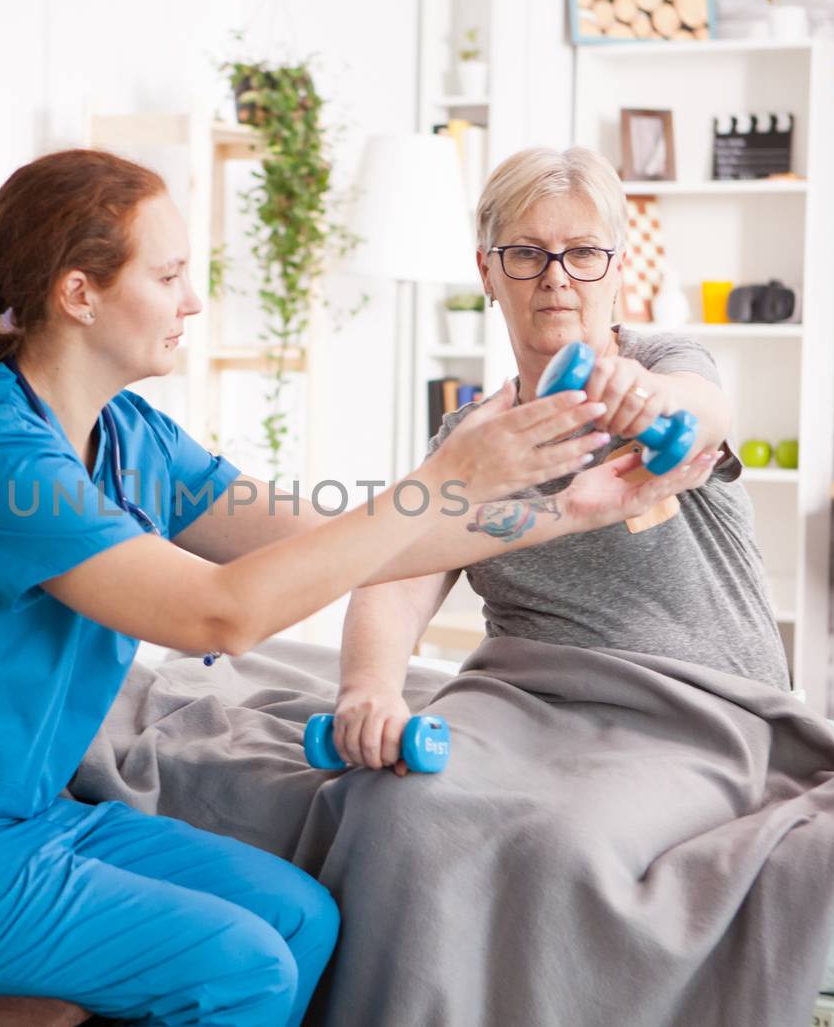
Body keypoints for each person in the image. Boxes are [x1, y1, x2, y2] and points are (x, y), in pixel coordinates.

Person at [0, 148, 713, 1025]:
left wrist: (573, 509)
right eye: (169, 275)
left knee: (302, 920)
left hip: (15, 815)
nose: (193, 299)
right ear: (81, 292)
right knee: (239, 967)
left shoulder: (132, 436)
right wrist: (447, 477)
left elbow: (332, 537)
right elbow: (221, 611)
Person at [330, 145, 787, 774]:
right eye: (524, 253)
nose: (557, 276)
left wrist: (644, 400)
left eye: (584, 252)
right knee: (399, 801)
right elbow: (395, 575)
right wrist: (369, 689)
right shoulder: (469, 444)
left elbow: (703, 408)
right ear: (486, 274)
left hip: (706, 718)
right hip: (535, 716)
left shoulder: (664, 367)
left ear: (617, 270)